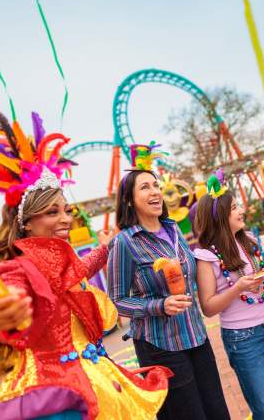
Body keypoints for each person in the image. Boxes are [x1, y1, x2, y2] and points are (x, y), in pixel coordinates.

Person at [0, 109, 171, 419]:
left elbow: (78, 271)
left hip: (98, 379)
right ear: (27, 224)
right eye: (51, 212)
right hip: (57, 399)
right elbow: (8, 296)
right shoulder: (14, 270)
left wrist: (104, 248)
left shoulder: (64, 261)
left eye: (66, 210)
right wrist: (6, 311)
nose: (64, 219)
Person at [107, 143, 231, 420]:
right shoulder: (125, 243)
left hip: (196, 335)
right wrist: (159, 305)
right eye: (145, 188)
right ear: (129, 200)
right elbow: (117, 301)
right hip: (160, 345)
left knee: (217, 412)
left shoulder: (174, 229)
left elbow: (193, 275)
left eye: (155, 185)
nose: (155, 192)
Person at [194, 169, 264, 420]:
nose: (241, 210)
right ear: (220, 216)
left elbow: (257, 283)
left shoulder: (249, 240)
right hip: (243, 339)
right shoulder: (207, 257)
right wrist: (238, 288)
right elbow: (208, 307)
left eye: (239, 206)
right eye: (234, 208)